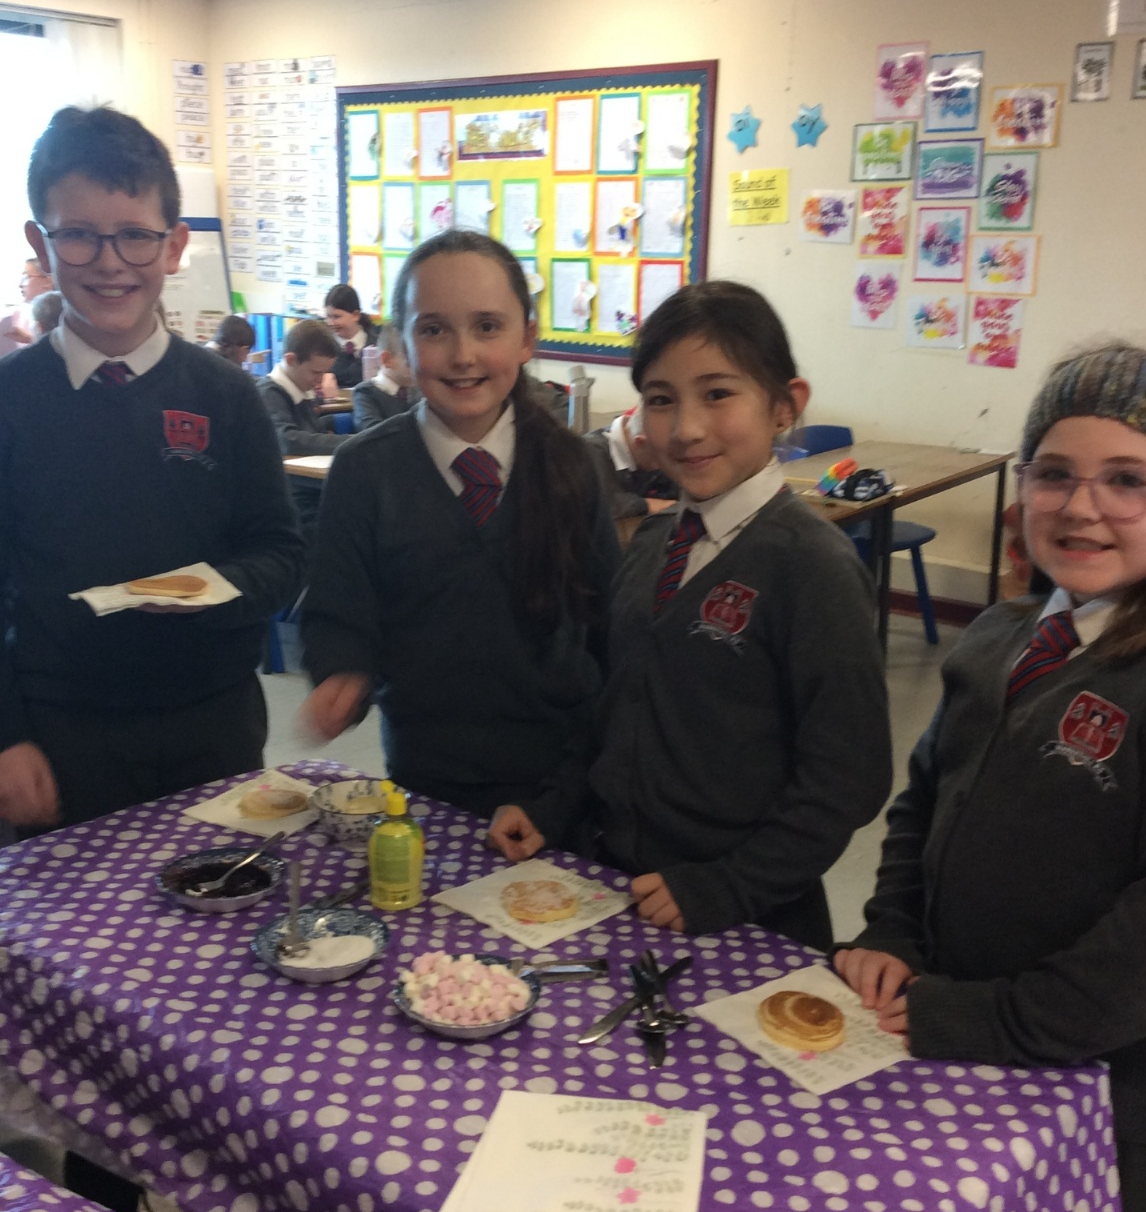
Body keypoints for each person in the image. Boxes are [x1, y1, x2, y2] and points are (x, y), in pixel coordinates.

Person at [834, 343, 1146, 1212]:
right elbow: (923, 801)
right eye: (1053, 473)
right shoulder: (1001, 637)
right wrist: (892, 928)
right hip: (982, 1059)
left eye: (1127, 479)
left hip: (1109, 1093)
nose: (1080, 505)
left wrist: (975, 1018)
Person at [489, 281, 891, 946]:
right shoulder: (654, 544)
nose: (686, 429)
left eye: (717, 393)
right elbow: (612, 710)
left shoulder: (812, 567)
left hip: (749, 917)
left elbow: (848, 780)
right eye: (660, 399)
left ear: (785, 405)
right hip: (620, 888)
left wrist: (728, 886)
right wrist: (552, 808)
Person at [0, 104, 304, 832]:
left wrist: (216, 589)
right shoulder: (10, 399)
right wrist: (7, 734)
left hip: (214, 724)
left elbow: (281, 553)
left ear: (174, 245)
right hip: (59, 732)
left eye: (135, 235)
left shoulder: (226, 395)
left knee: (222, 900)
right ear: (40, 243)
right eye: (79, 235)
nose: (110, 263)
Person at [301, 229, 620, 819]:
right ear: (399, 343)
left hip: (559, 787)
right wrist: (342, 670)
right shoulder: (365, 470)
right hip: (424, 775)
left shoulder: (574, 465)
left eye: (488, 326)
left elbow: (607, 625)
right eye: (433, 330)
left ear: (526, 338)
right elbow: (338, 608)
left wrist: (572, 789)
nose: (463, 354)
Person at [257, 318, 343, 551]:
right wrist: (347, 442)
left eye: (324, 373)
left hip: (309, 490)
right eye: (315, 372)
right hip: (289, 496)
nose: (320, 381)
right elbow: (286, 440)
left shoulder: (302, 391)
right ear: (290, 360)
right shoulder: (269, 393)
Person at [583, 403, 678, 522]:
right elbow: (599, 505)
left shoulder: (649, 450)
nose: (666, 464)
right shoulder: (588, 453)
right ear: (639, 442)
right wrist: (647, 504)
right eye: (662, 458)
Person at [351, 320, 420, 431]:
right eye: (412, 361)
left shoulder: (419, 392)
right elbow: (370, 432)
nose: (420, 367)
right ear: (386, 359)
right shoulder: (365, 393)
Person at [323, 282, 377, 389]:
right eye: (328, 316)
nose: (330, 322)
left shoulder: (377, 344)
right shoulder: (322, 346)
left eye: (336, 317)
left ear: (355, 315)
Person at [0, 256, 54, 356]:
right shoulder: (24, 313)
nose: (21, 285)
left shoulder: (60, 314)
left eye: (26, 278)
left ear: (48, 281)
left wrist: (31, 339)